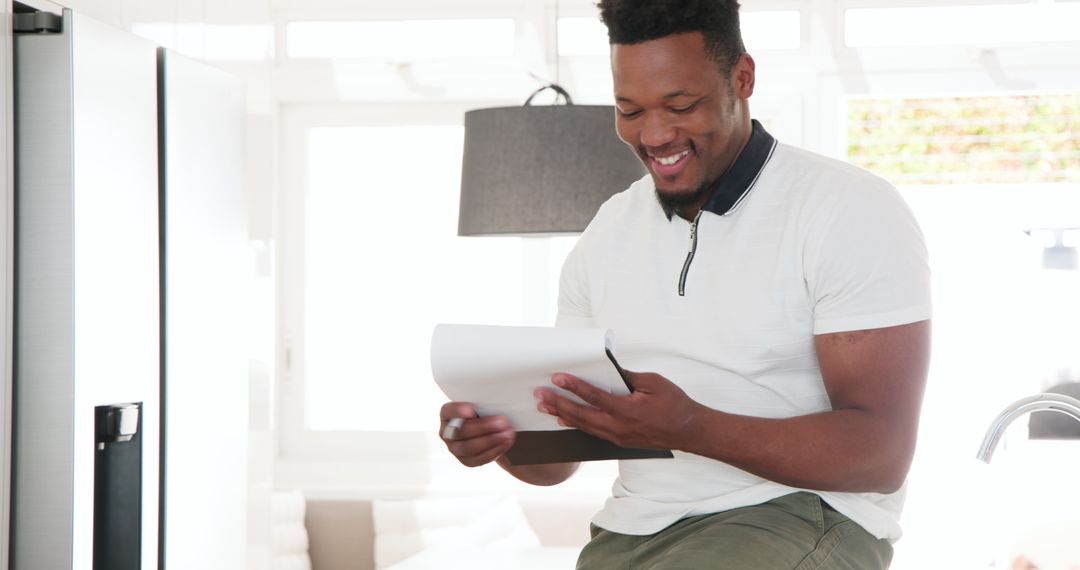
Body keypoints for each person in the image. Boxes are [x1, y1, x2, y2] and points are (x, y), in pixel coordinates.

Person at [439, 0, 932, 567]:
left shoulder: (846, 208)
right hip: (631, 531)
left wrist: (693, 426)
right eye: (629, 110)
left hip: (797, 516)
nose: (654, 135)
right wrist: (501, 440)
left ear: (742, 79)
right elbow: (559, 461)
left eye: (681, 105)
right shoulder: (608, 231)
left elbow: (880, 454)